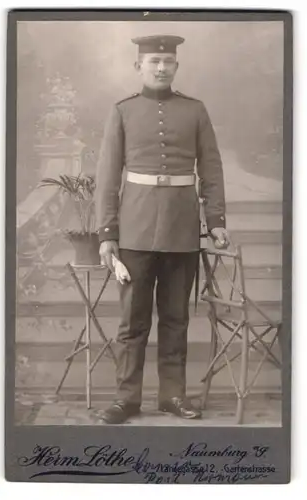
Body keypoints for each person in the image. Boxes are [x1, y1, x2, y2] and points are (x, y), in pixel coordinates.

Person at [95, 35, 229, 424]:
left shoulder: (195, 111)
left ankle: (173, 396)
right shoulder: (123, 112)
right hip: (135, 229)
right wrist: (107, 233)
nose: (160, 68)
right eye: (153, 61)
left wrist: (216, 221)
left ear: (175, 66)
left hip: (182, 229)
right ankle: (126, 399)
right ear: (139, 66)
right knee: (132, 322)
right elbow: (106, 177)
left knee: (175, 319)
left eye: (167, 62)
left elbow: (212, 169)